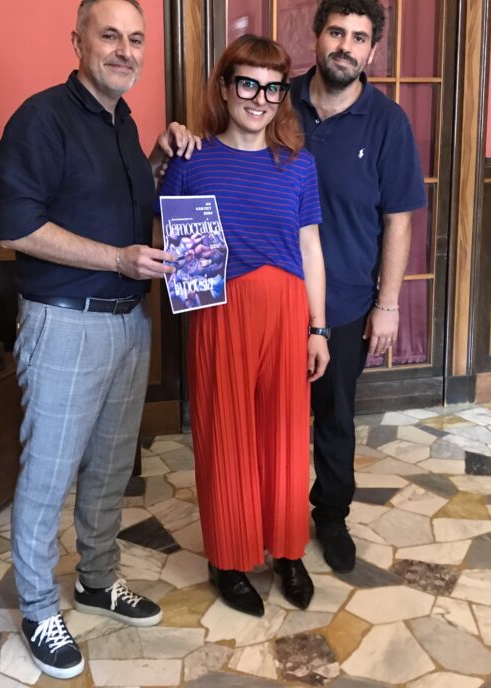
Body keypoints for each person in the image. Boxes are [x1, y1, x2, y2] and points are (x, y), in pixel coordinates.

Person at [0, 0, 198, 680]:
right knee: (49, 474)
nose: (124, 51)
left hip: (127, 325)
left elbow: (118, 207)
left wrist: (159, 159)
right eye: (110, 35)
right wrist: (117, 260)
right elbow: (19, 228)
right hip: (64, 326)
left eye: (136, 39)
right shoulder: (41, 118)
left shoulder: (122, 123)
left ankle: (97, 579)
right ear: (77, 42)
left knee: (111, 468)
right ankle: (36, 607)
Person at [159, 35, 329, 616]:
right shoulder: (192, 161)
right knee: (224, 436)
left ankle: (288, 551)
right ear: (226, 87)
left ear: (283, 96)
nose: (260, 98)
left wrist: (318, 328)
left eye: (273, 88)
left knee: (286, 435)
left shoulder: (299, 165)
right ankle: (228, 559)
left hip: (286, 312)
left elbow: (311, 249)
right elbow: (173, 244)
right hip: (219, 312)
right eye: (248, 84)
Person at [290, 0, 427, 572]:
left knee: (335, 417)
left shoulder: (388, 122)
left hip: (345, 301)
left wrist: (387, 305)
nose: (345, 46)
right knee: (272, 418)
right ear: (317, 38)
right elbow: (224, 148)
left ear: (372, 52)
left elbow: (399, 219)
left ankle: (331, 515)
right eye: (337, 32)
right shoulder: (275, 100)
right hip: (272, 295)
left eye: (359, 38)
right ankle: (273, 515)